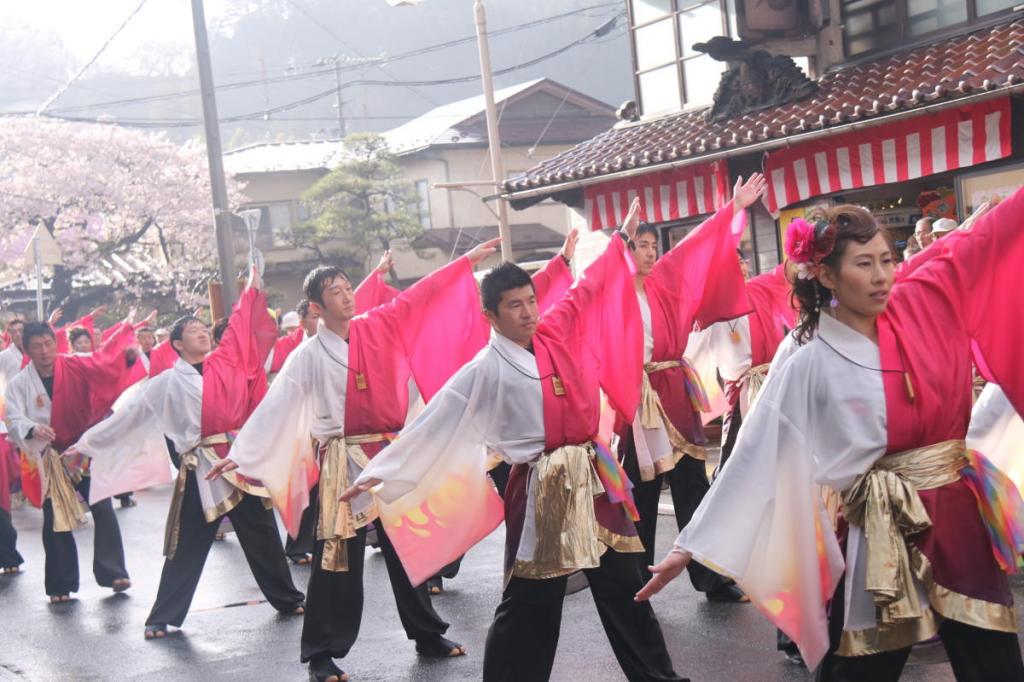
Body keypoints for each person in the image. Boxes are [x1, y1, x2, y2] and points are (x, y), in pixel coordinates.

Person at [637, 189, 1024, 680]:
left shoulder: (926, 298)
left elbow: (996, 233)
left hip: (955, 514)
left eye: (886, 258)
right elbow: (756, 450)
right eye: (864, 263)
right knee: (856, 669)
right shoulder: (807, 357)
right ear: (823, 274)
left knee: (994, 661)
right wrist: (686, 547)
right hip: (877, 527)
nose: (882, 274)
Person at [341, 213, 685, 682]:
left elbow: (588, 289)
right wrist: (376, 473)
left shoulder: (555, 332)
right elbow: (436, 422)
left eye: (530, 301)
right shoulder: (484, 369)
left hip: (594, 476)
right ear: (490, 316)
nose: (528, 312)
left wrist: (620, 242)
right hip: (542, 485)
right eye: (514, 306)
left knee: (627, 587)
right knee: (530, 604)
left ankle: (659, 678)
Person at [70, 268, 305, 639]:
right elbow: (126, 417)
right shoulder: (165, 382)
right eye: (192, 331)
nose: (201, 332)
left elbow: (248, 333)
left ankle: (288, 598)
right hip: (200, 468)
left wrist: (253, 289)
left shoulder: (225, 368)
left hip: (237, 461)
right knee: (188, 542)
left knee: (261, 533)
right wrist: (84, 445)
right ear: (177, 344)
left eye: (203, 328)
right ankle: (162, 615)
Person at [619, 175, 766, 603]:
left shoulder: (665, 283)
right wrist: (621, 236)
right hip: (641, 394)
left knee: (692, 483)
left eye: (651, 246)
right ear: (624, 253)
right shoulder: (615, 292)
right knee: (642, 489)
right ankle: (634, 580)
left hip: (674, 390)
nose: (648, 253)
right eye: (639, 246)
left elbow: (697, 247)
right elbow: (593, 284)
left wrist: (732, 209)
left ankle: (709, 575)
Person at [4, 319, 137, 602]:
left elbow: (105, 366)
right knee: (55, 517)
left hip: (81, 449)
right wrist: (31, 428)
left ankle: (114, 572)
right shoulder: (19, 383)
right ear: (27, 349)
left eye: (48, 343)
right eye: (37, 346)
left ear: (56, 343)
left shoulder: (76, 365)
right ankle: (60, 584)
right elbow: (12, 416)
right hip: (49, 454)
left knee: (102, 506)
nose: (44, 351)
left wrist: (126, 356)